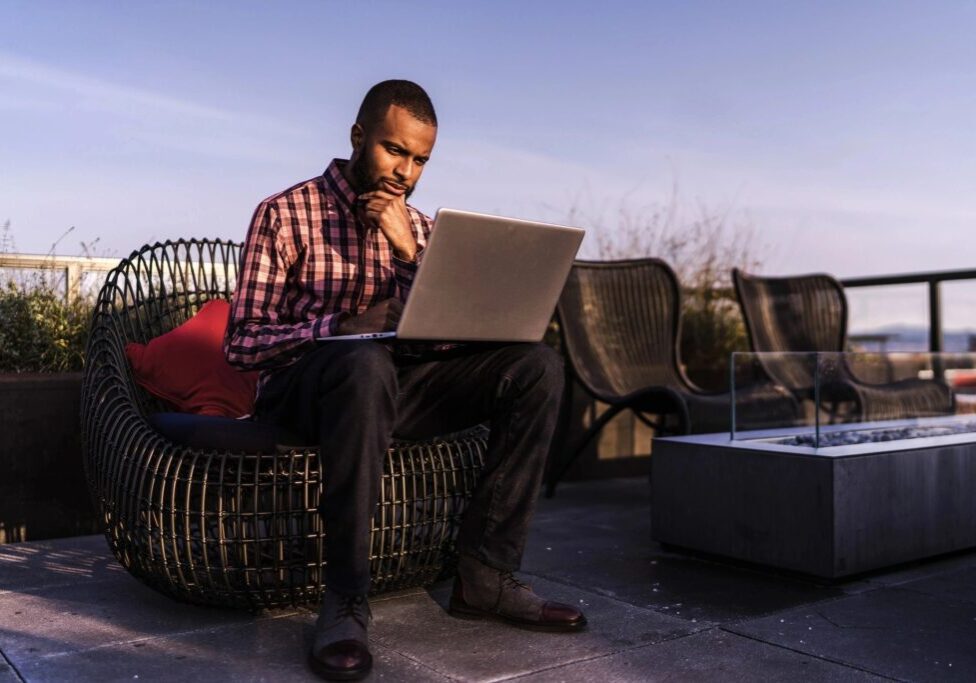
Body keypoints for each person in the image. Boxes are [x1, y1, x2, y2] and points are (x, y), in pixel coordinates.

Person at [225, 79, 586, 681]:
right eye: (395, 150)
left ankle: (484, 577)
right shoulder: (285, 213)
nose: (405, 172)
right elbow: (242, 345)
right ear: (358, 137)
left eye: (420, 160)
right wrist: (340, 324)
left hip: (394, 387)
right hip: (304, 394)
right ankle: (344, 597)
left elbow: (446, 338)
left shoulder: (417, 228)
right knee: (363, 361)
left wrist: (409, 255)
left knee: (536, 368)